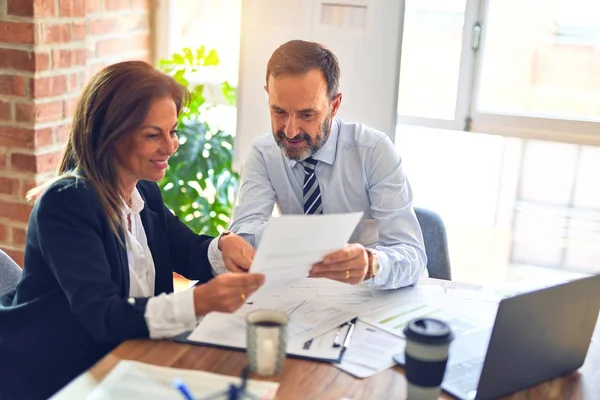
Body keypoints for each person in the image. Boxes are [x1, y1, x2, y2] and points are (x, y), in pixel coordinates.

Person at [0, 61, 264, 400]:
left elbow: (186, 251)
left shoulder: (143, 192)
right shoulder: (67, 204)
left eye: (173, 131)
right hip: (62, 377)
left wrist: (222, 246)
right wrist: (196, 302)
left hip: (128, 360)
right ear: (110, 136)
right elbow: (103, 315)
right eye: (153, 135)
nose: (170, 147)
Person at [229, 40, 427, 289]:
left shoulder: (374, 151)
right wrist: (294, 239)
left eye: (307, 114)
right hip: (305, 296)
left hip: (371, 294)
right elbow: (241, 237)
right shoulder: (264, 153)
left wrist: (373, 264)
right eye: (279, 112)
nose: (290, 131)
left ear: (334, 106)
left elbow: (413, 254)